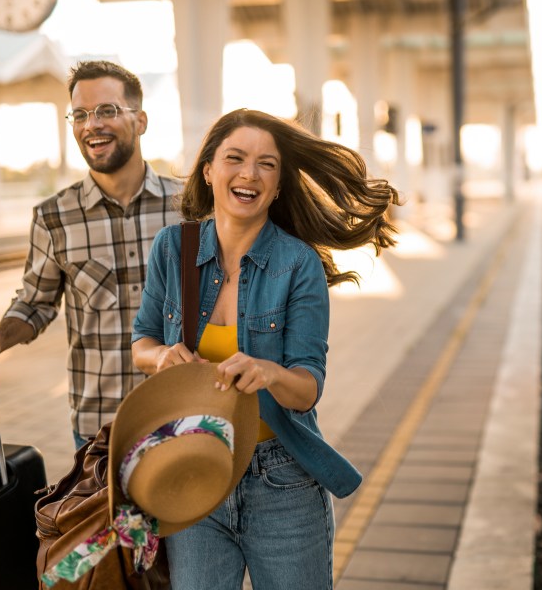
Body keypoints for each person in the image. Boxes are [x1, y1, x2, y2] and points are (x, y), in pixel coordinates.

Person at [131, 108, 400, 589]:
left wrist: (269, 373)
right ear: (209, 170)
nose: (249, 173)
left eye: (267, 164)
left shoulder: (299, 264)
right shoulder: (172, 248)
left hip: (282, 481)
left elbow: (307, 389)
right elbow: (142, 342)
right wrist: (162, 357)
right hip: (194, 466)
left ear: (277, 187)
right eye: (235, 158)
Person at [0, 60, 183, 449]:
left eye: (107, 110)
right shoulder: (53, 218)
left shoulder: (188, 208)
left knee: (190, 514)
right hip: (101, 431)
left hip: (183, 418)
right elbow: (35, 304)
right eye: (80, 115)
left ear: (141, 120)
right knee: (111, 516)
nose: (91, 124)